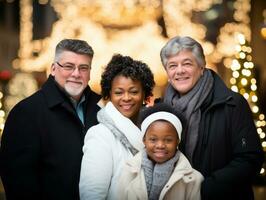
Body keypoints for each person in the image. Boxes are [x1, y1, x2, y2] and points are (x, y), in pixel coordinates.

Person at [159, 36, 264, 200]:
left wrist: (204, 189)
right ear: (167, 73)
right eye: (172, 65)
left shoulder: (232, 104)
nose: (179, 70)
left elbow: (249, 159)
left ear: (201, 67)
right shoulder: (161, 112)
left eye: (187, 63)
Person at [0, 39, 101, 200]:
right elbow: (17, 181)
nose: (76, 73)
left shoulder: (102, 109)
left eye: (83, 68)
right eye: (68, 66)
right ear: (53, 69)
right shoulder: (26, 113)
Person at [79, 54, 155, 200]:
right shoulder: (100, 135)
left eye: (133, 91)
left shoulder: (154, 131)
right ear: (109, 94)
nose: (126, 98)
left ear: (145, 94)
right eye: (119, 92)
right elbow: (92, 194)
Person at [117, 102, 204, 200]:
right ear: (144, 140)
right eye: (153, 139)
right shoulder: (128, 171)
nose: (160, 145)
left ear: (177, 141)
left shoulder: (193, 179)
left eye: (168, 140)